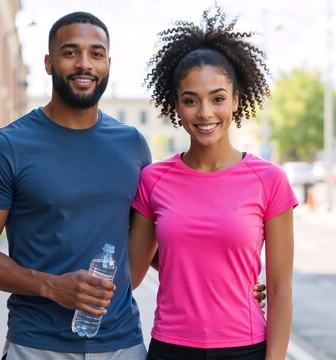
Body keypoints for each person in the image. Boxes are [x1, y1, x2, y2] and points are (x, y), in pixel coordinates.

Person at [0, 11, 266, 360]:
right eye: (70, 52)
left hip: (123, 345)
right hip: (37, 346)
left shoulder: (131, 144)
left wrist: (229, 282)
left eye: (96, 53)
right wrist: (50, 286)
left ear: (108, 63)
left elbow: (156, 240)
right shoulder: (8, 147)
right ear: (48, 62)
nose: (84, 64)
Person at [128, 5, 297, 360]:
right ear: (176, 106)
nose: (205, 113)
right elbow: (131, 273)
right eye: (191, 101)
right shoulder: (153, 180)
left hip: (245, 349)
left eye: (218, 98)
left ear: (236, 100)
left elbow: (281, 290)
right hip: (170, 349)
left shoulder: (269, 181)